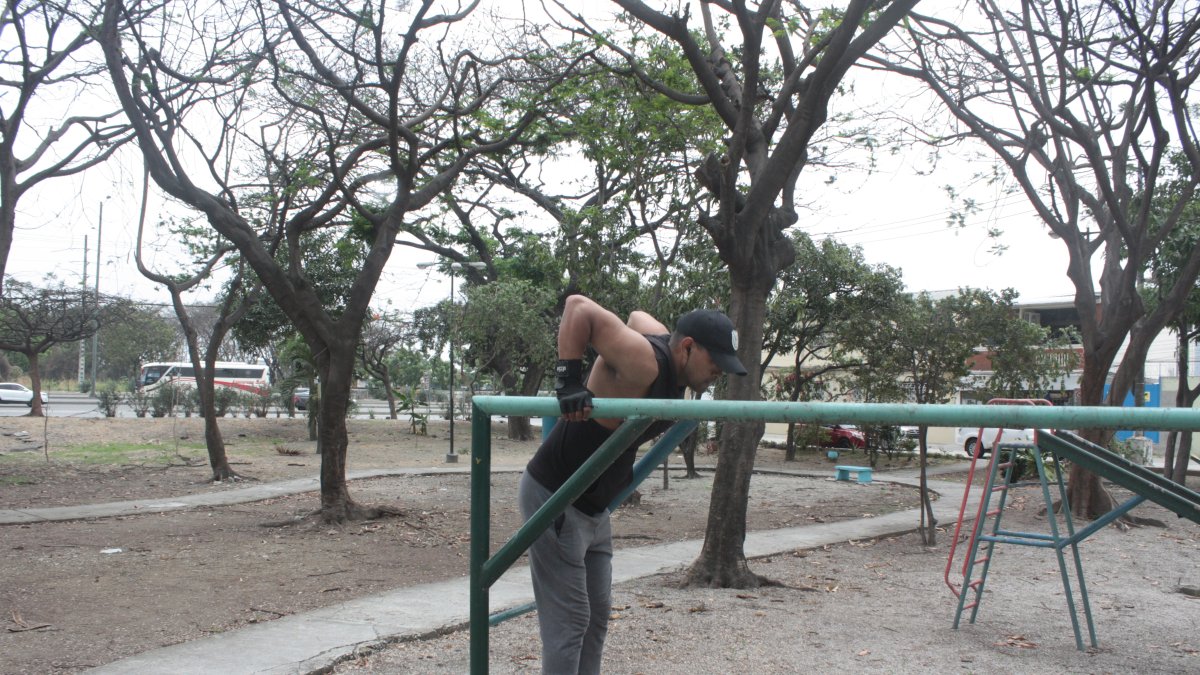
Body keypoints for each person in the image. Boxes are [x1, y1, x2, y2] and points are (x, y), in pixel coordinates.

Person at [519, 294, 747, 674]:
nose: (719, 373)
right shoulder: (644, 363)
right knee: (571, 621)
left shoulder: (660, 347)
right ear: (688, 347)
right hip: (558, 498)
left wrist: (643, 337)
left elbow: (638, 315)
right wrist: (569, 382)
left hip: (594, 507)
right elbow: (578, 307)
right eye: (715, 362)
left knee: (596, 618)